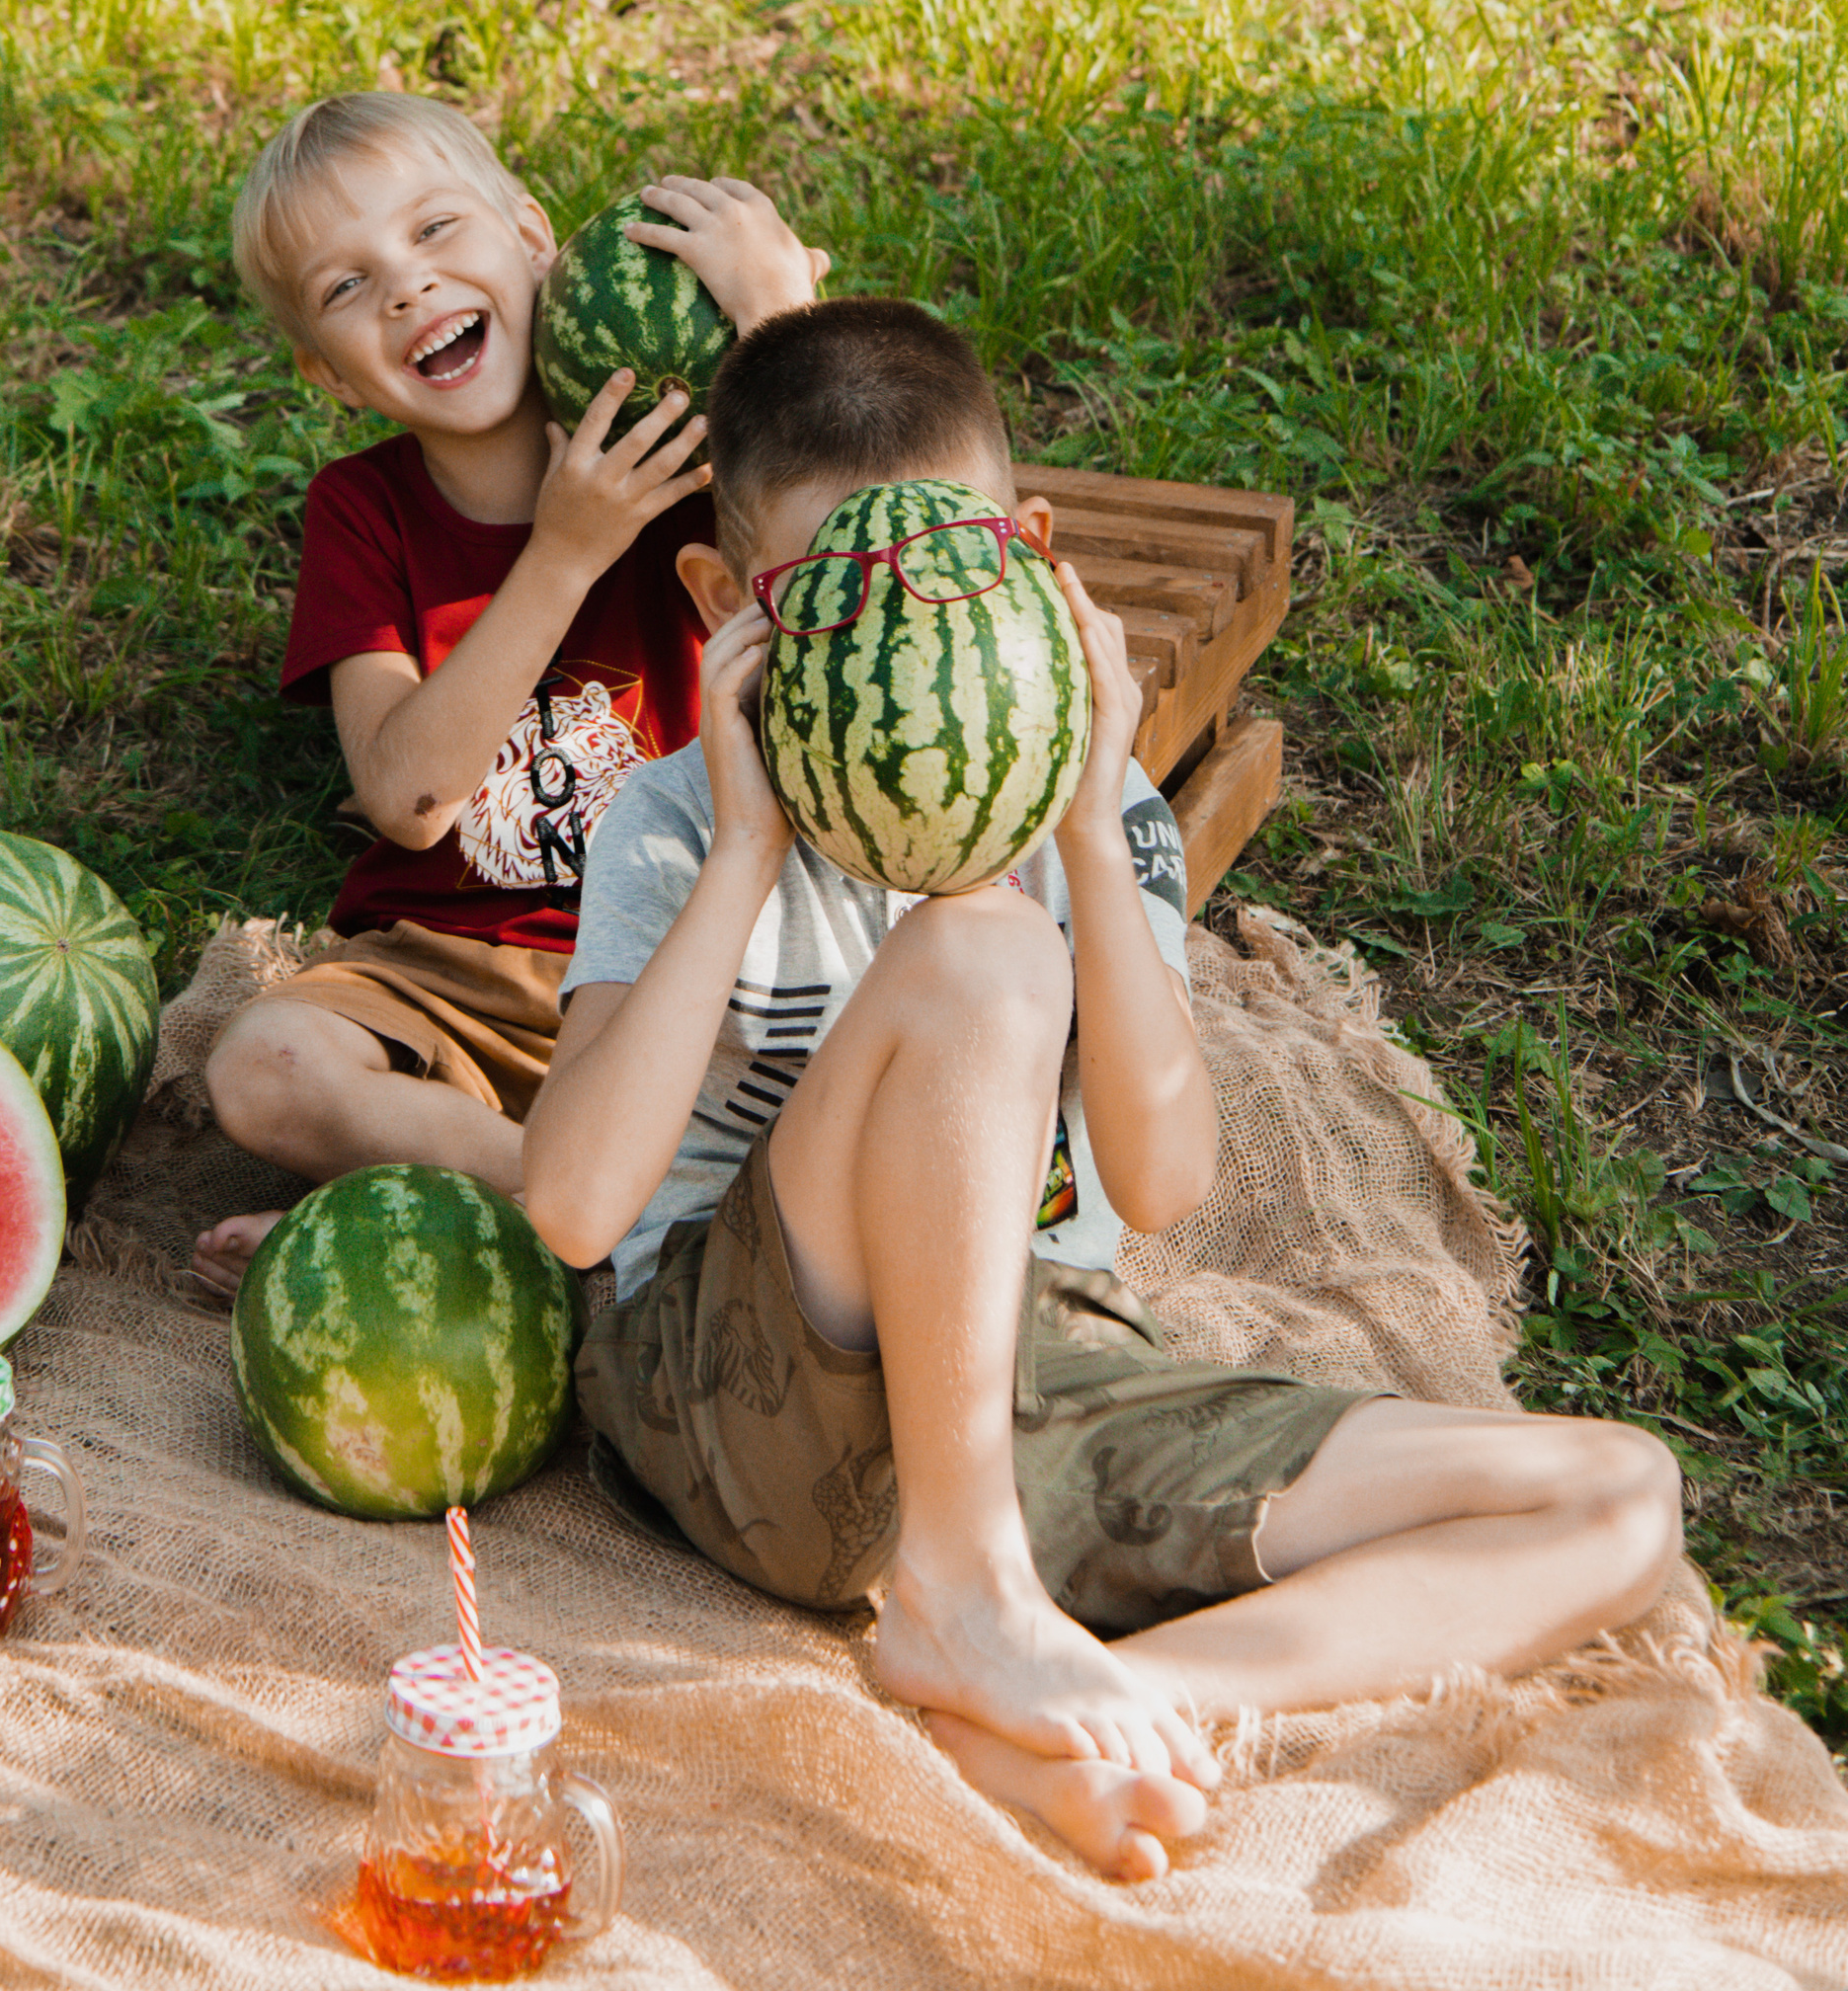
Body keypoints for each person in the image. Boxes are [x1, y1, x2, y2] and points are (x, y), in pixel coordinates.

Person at [520, 296, 1685, 1883]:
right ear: (729, 604)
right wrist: (743, 848)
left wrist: (1083, 825)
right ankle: (967, 1594)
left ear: (1033, 557)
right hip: (731, 1409)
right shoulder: (679, 824)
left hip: (1027, 1378)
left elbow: (1164, 1182)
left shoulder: (1098, 808)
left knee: (1621, 1497)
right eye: (834, 598)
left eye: (955, 571)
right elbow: (577, 1207)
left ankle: (1094, 1702)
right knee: (982, 960)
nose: (905, 628)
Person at [193, 94, 828, 1292]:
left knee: (847, 1072)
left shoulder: (692, 448)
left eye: (437, 230)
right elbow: (408, 796)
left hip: (682, 964)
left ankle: (453, 1224)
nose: (406, 287)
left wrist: (778, 316)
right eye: (346, 287)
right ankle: (580, 1204)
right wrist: (567, 549)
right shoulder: (363, 512)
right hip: (454, 975)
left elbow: (861, 516)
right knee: (262, 1066)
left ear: (535, 237)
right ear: (326, 374)